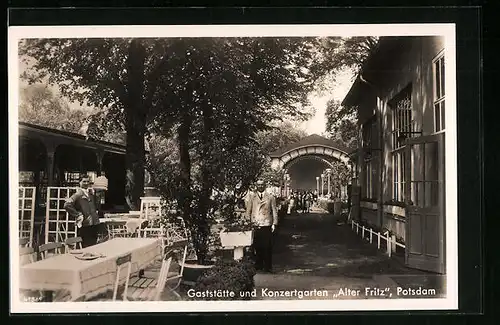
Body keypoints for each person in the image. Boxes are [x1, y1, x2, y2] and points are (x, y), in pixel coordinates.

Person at [246, 179, 278, 273]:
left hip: (266, 223)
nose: (260, 186)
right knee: (257, 246)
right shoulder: (252, 197)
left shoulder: (271, 197)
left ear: (265, 186)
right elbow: (248, 210)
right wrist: (248, 222)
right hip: (255, 224)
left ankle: (268, 267)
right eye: (258, 185)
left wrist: (274, 223)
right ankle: (258, 265)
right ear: (256, 186)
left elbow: (274, 211)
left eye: (262, 185)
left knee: (267, 246)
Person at [64, 175, 102, 248]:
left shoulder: (90, 194)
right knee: (86, 245)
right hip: (85, 223)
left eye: (88, 181)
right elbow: (67, 205)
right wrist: (77, 214)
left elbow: (95, 207)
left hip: (94, 223)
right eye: (84, 181)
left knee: (94, 245)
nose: (86, 183)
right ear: (80, 182)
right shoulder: (77, 194)